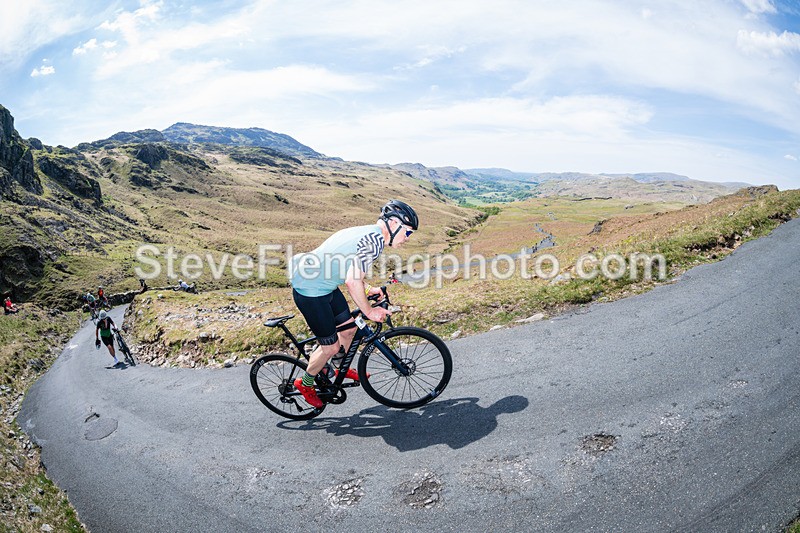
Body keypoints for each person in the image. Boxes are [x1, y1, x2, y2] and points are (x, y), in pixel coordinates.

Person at [289, 199, 418, 408]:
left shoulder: (368, 233)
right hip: (311, 291)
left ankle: (340, 367)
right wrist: (369, 311)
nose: (407, 238)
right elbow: (351, 280)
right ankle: (305, 383)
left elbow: (348, 269)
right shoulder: (373, 242)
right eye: (408, 232)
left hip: (325, 285)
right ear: (394, 224)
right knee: (329, 347)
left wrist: (369, 290)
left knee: (348, 331)